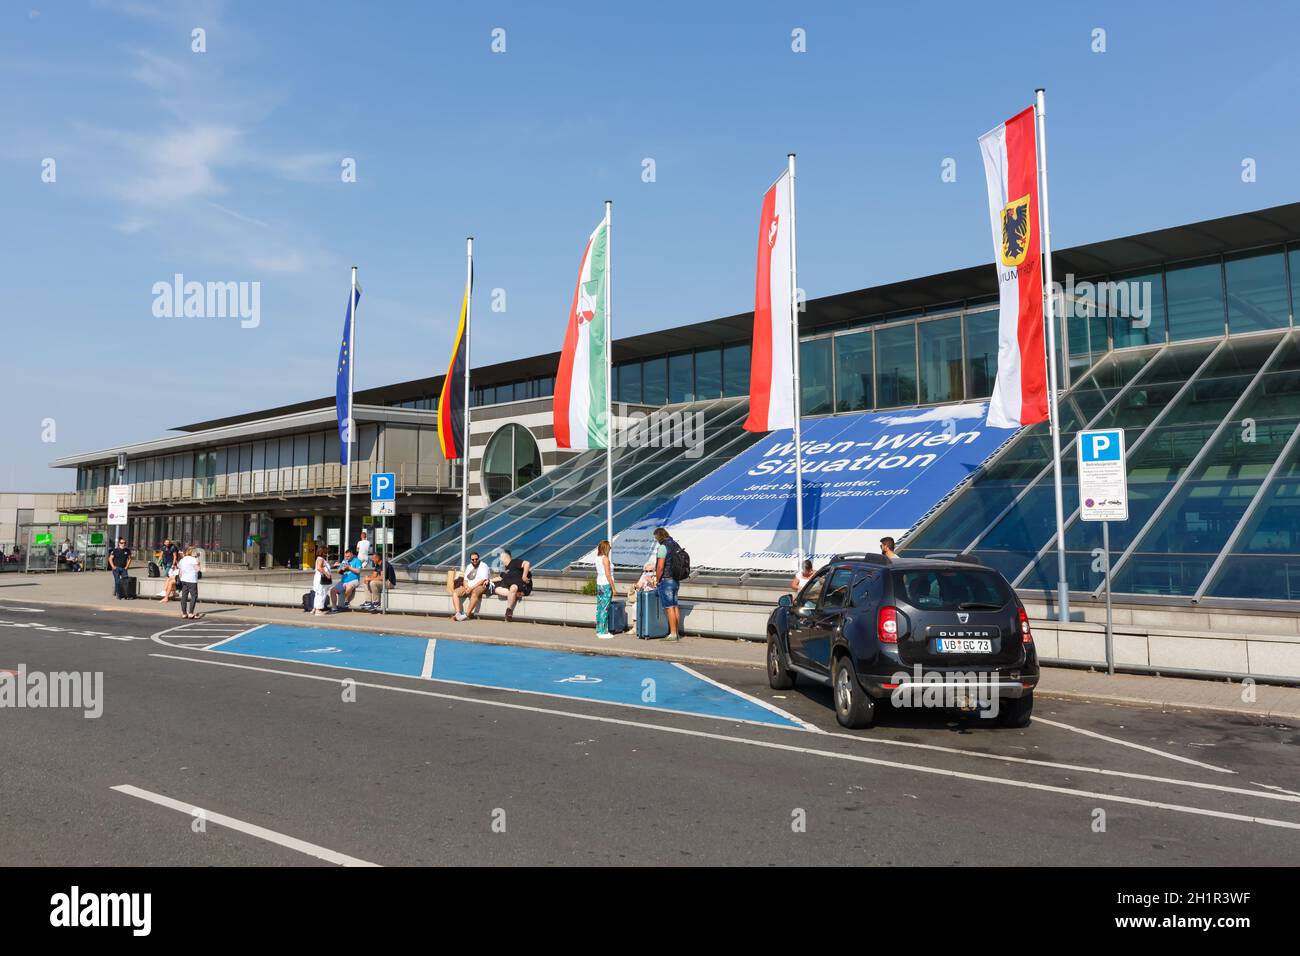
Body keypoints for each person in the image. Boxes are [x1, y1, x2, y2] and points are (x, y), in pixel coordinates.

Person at [653, 527, 683, 642]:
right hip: (675, 579)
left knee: (669, 607)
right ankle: (676, 632)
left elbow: (660, 567)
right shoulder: (675, 544)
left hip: (666, 580)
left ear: (658, 537)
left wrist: (657, 579)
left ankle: (673, 634)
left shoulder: (663, 547)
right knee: (675, 606)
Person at [449, 551, 491, 621]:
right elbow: (465, 580)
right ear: (470, 560)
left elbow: (483, 580)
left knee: (475, 593)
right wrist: (466, 587)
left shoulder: (484, 566)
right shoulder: (469, 566)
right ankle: (458, 613)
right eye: (473, 559)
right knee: (455, 593)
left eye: (476, 559)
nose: (475, 561)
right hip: (468, 586)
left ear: (479, 558)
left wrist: (471, 588)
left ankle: (467, 614)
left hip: (480, 586)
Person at [494, 548, 532, 623]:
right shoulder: (505, 569)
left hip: (523, 586)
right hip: (513, 590)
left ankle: (508, 610)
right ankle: (515, 594)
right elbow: (499, 578)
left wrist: (524, 576)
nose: (500, 560)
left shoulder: (514, 562)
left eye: (501, 558)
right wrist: (488, 580)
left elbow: (527, 563)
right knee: (497, 589)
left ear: (506, 556)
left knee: (513, 587)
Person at [594, 540, 620, 639]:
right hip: (606, 584)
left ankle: (599, 629)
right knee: (605, 608)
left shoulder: (597, 558)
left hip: (599, 583)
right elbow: (608, 575)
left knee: (600, 608)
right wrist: (613, 588)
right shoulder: (605, 559)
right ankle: (603, 631)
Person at [178, 546, 202, 619]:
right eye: (195, 552)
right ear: (192, 552)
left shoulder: (183, 559)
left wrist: (180, 578)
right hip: (192, 580)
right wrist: (198, 562)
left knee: (184, 597)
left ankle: (184, 613)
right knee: (194, 596)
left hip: (184, 580)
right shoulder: (193, 559)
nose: (196, 553)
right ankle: (191, 613)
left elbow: (180, 570)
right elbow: (197, 569)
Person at [312, 549, 332, 617]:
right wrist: (326, 574)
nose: (327, 554)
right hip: (321, 579)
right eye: (326, 552)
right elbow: (319, 568)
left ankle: (315, 608)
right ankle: (318, 610)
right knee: (321, 593)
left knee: (318, 593)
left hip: (318, 579)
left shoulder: (319, 558)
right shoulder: (320, 559)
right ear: (323, 553)